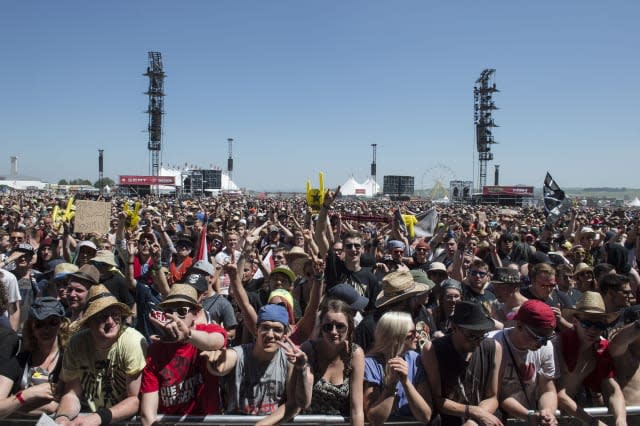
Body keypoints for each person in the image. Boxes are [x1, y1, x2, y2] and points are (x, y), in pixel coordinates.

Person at [54, 285, 147, 425]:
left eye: (115, 315)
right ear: (89, 322)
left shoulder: (132, 341)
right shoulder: (77, 343)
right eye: (102, 316)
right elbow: (72, 393)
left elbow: (134, 400)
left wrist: (98, 418)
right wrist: (63, 417)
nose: (110, 321)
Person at [139, 284, 227, 424]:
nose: (174, 317)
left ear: (195, 313)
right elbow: (147, 414)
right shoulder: (155, 351)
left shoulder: (208, 331)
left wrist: (187, 336)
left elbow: (216, 341)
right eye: (168, 311)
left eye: (181, 311)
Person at [206, 304, 302, 418]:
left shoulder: (288, 359)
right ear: (256, 330)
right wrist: (216, 361)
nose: (270, 334)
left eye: (277, 330)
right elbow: (222, 365)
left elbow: (293, 403)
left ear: (285, 334)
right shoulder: (240, 354)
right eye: (265, 327)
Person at [421, 301, 502, 426]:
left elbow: (492, 397)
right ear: (454, 328)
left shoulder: (493, 348)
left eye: (482, 335)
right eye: (472, 336)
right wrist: (473, 411)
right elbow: (436, 400)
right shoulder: (433, 350)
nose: (478, 342)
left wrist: (475, 419)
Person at [556, 291, 627, 426]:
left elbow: (613, 390)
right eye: (587, 323)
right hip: (539, 412)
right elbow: (558, 394)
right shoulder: (559, 344)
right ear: (575, 321)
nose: (593, 330)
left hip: (571, 415)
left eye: (599, 326)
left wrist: (621, 420)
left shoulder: (601, 348)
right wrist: (594, 422)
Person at [488, 300, 559, 425]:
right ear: (519, 326)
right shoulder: (492, 343)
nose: (544, 343)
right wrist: (528, 415)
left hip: (529, 415)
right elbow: (496, 394)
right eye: (539, 338)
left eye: (548, 338)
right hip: (496, 418)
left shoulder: (546, 347)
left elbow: (548, 389)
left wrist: (547, 412)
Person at [296, 299, 365, 424]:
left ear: (349, 327)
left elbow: (357, 410)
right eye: (328, 327)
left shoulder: (355, 354)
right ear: (320, 328)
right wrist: (301, 369)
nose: (334, 332)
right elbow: (302, 402)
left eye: (340, 326)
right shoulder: (309, 349)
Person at [0, 297, 68, 418]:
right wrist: (27, 394)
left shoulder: (68, 360)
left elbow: (63, 406)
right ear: (31, 326)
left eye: (53, 322)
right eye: (39, 324)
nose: (46, 329)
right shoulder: (19, 361)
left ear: (61, 323)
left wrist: (12, 402)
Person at [363, 311, 432, 425]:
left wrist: (405, 382)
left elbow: (425, 416)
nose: (418, 336)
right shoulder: (370, 364)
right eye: (412, 333)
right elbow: (375, 419)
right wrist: (391, 385)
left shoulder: (415, 360)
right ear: (396, 336)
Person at [354, 270, 431, 352]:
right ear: (403, 303)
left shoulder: (418, 314)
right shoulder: (369, 326)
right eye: (413, 297)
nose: (416, 301)